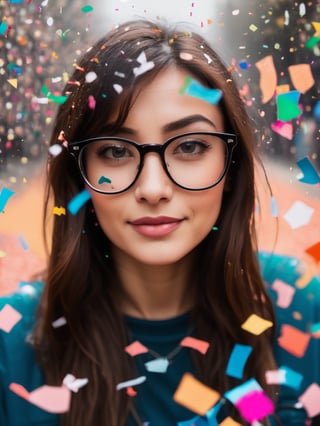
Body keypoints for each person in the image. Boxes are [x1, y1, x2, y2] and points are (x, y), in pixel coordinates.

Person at [0, 19, 319, 426]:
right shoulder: (12, 346)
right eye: (115, 151)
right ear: (80, 176)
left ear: (232, 166)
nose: (153, 189)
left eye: (189, 146)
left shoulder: (300, 308)